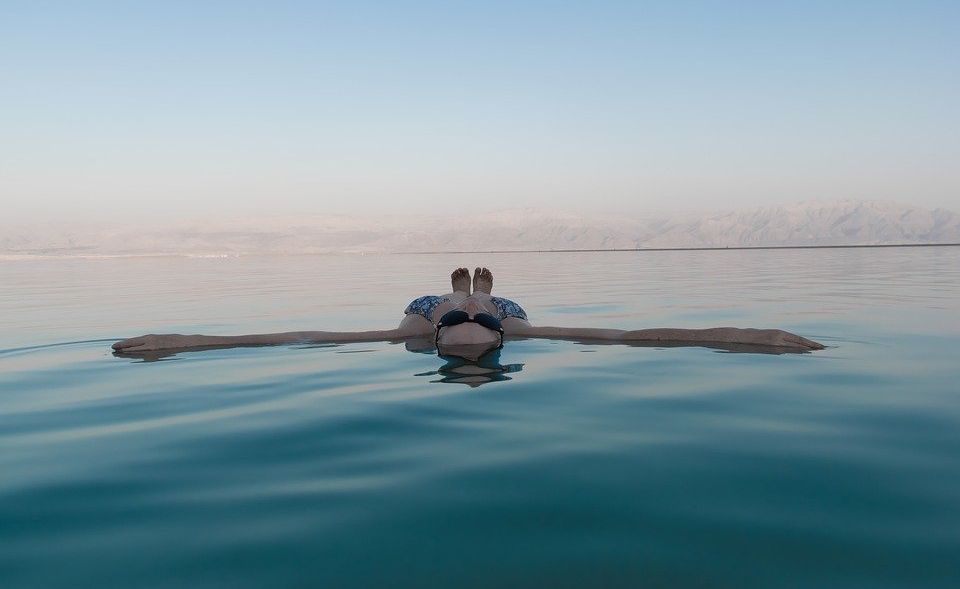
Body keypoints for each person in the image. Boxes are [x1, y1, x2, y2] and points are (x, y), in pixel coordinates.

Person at [112, 267, 825, 355]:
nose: (474, 323)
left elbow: (296, 337)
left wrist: (743, 335)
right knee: (482, 300)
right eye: (470, 315)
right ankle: (474, 280)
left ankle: (471, 280)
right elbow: (632, 337)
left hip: (449, 308)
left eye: (471, 313)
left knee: (461, 301)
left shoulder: (418, 330)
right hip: (473, 308)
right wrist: (742, 336)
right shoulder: (508, 327)